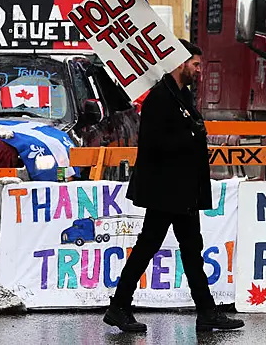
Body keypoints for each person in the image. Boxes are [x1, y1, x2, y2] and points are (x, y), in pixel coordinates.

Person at [104, 40, 244, 333]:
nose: (199, 70)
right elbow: (153, 145)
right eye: (195, 64)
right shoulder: (160, 98)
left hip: (183, 189)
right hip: (166, 191)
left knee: (192, 249)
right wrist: (192, 136)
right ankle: (119, 307)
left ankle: (207, 312)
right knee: (149, 246)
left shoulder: (182, 95)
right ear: (180, 63)